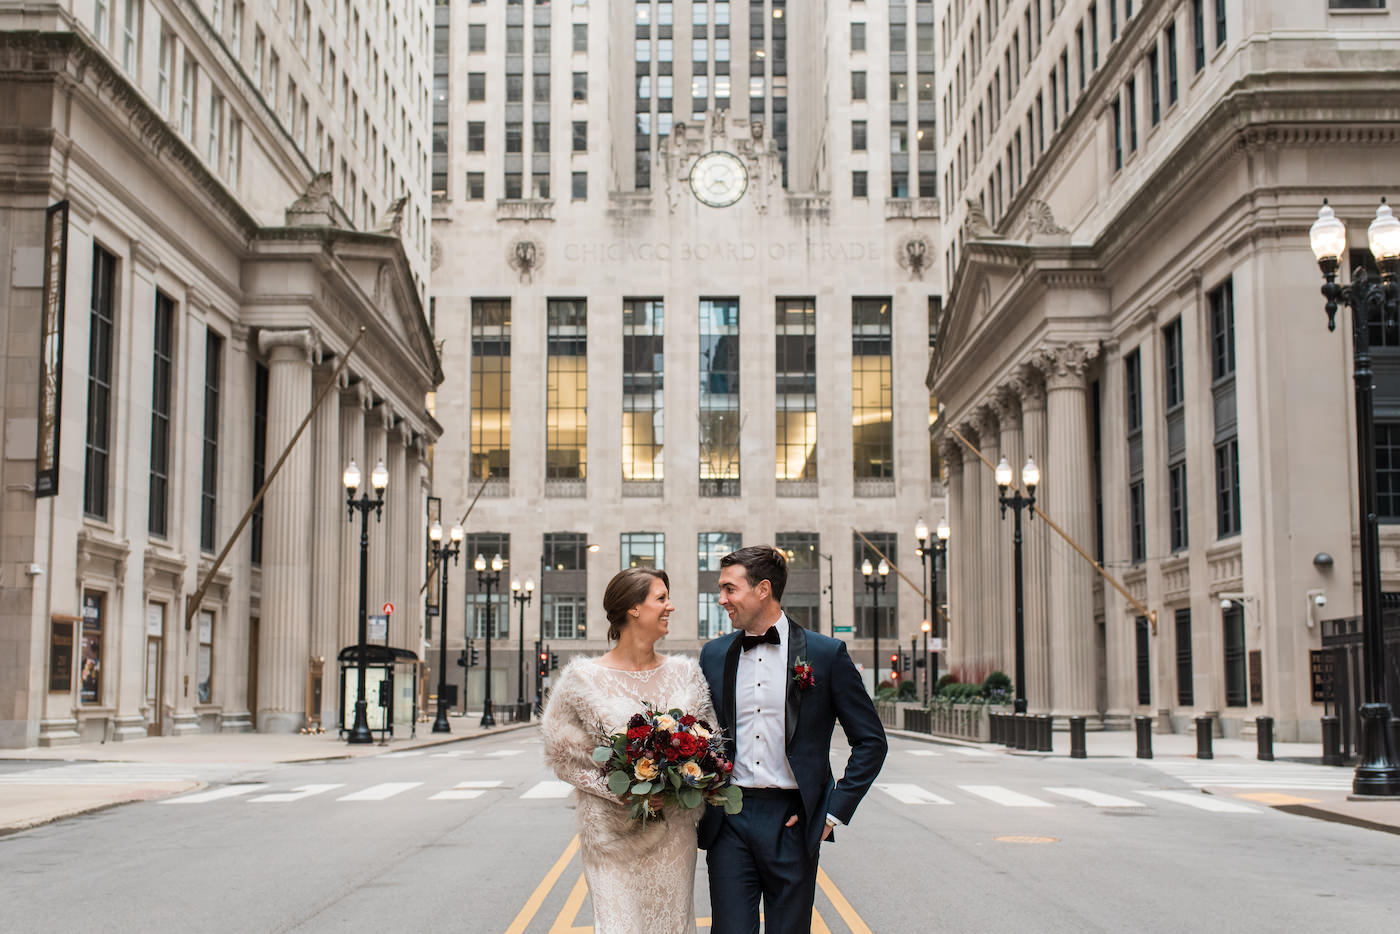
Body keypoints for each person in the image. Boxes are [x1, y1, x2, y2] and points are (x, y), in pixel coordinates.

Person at [698, 546, 888, 934]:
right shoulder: (714, 655)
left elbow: (870, 741)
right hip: (729, 818)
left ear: (763, 589)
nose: (722, 599)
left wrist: (832, 812)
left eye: (729, 589)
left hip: (793, 820)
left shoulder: (825, 654)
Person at [541, 567, 716, 934]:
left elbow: (709, 745)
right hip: (611, 839)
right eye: (661, 598)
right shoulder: (583, 679)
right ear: (633, 608)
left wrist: (680, 778)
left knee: (671, 926)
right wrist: (622, 790)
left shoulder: (687, 674)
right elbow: (561, 755)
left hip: (671, 835)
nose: (671, 606)